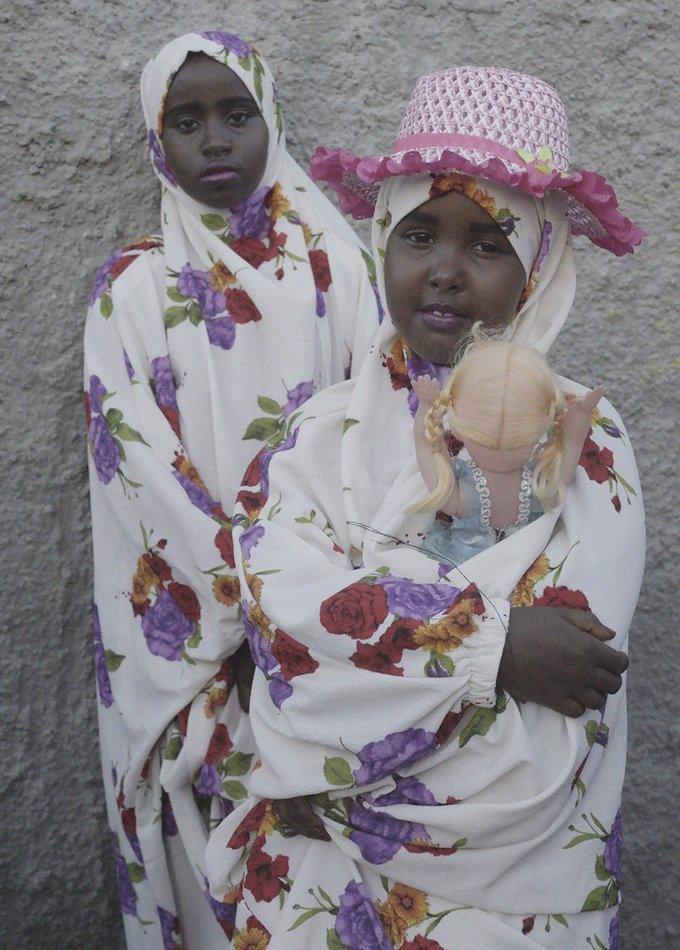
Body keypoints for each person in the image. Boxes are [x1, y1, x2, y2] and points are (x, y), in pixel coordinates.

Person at [204, 67, 644, 948]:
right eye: (418, 235)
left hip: (512, 887)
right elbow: (279, 630)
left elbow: (568, 675)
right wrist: (489, 646)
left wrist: (363, 656)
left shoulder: (586, 439)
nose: (444, 272)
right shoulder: (316, 438)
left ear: (538, 266)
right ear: (381, 241)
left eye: (488, 244)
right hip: (317, 888)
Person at [85, 30, 380, 948]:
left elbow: (373, 440)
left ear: (271, 122)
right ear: (155, 140)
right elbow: (139, 476)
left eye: (236, 113)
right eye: (187, 120)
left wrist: (301, 619)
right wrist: (245, 614)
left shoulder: (337, 271)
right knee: (210, 865)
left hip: (319, 634)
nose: (215, 140)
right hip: (201, 650)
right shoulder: (132, 292)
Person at [411, 333, 606, 566]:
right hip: (526, 569)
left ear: (457, 428)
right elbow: (572, 445)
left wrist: (426, 406)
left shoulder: (457, 496)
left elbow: (426, 446)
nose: (499, 451)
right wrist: (580, 416)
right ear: (545, 423)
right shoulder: (541, 488)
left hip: (461, 568)